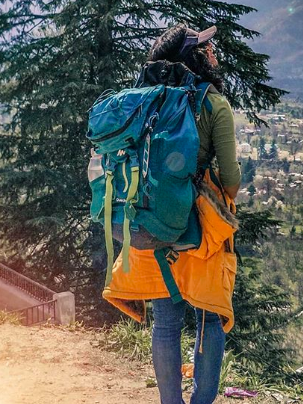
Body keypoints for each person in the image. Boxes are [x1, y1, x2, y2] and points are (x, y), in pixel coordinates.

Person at [102, 23, 241, 404]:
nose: (214, 54)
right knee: (209, 316)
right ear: (197, 57)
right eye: (209, 49)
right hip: (200, 228)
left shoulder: (145, 98)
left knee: (165, 321)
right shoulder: (213, 102)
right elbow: (229, 177)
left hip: (148, 216)